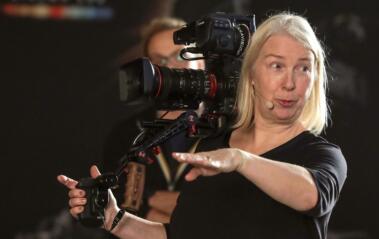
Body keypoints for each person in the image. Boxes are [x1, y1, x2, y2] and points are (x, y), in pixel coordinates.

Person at [58, 12, 347, 239]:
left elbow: (312, 196)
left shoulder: (321, 155)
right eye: (277, 66)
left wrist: (241, 160)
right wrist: (117, 220)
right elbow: (180, 235)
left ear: (315, 79)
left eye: (304, 68)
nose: (290, 82)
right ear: (251, 75)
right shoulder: (215, 147)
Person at [103, 16, 205, 224]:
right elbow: (118, 216)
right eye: (160, 61)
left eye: (180, 54)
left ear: (201, 61)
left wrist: (152, 202)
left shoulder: (230, 126)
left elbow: (229, 213)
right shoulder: (127, 134)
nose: (171, 68)